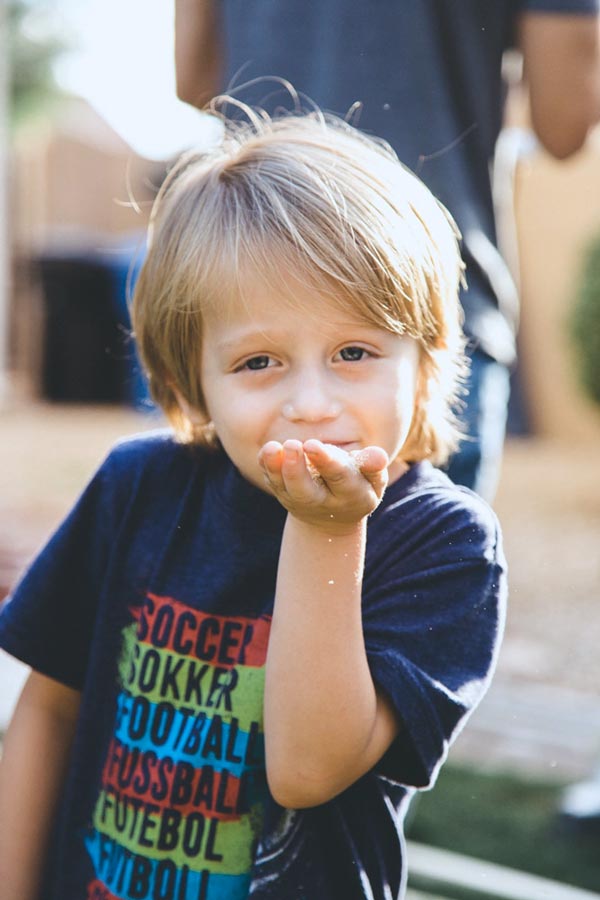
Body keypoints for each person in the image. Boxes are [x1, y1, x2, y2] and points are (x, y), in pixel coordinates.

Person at [0, 105, 507, 900]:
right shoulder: (136, 489)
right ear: (187, 379)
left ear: (427, 358)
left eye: (354, 352)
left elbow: (307, 769)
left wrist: (327, 528)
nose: (312, 402)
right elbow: (48, 713)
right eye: (260, 360)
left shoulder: (443, 540)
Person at [174, 0, 600, 501]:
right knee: (420, 571)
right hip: (427, 310)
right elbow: (565, 120)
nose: (314, 406)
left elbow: (194, 80)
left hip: (246, 303)